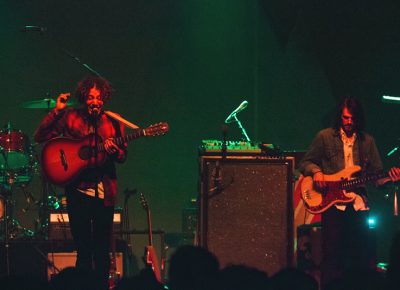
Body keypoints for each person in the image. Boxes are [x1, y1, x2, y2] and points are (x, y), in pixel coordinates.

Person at [34, 75, 127, 290]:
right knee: (83, 249)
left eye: (99, 97)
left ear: (104, 99)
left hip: (105, 193)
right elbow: (41, 136)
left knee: (102, 249)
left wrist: (115, 150)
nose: (95, 101)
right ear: (84, 98)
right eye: (91, 97)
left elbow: (123, 157)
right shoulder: (70, 117)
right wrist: (56, 110)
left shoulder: (114, 121)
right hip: (77, 190)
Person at [298, 97, 400, 288]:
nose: (349, 122)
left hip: (358, 205)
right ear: (340, 117)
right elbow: (305, 162)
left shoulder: (367, 141)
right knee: (332, 257)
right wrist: (317, 172)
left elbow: (376, 177)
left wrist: (389, 177)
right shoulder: (325, 137)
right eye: (345, 118)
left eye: (352, 118)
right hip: (333, 205)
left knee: (359, 257)